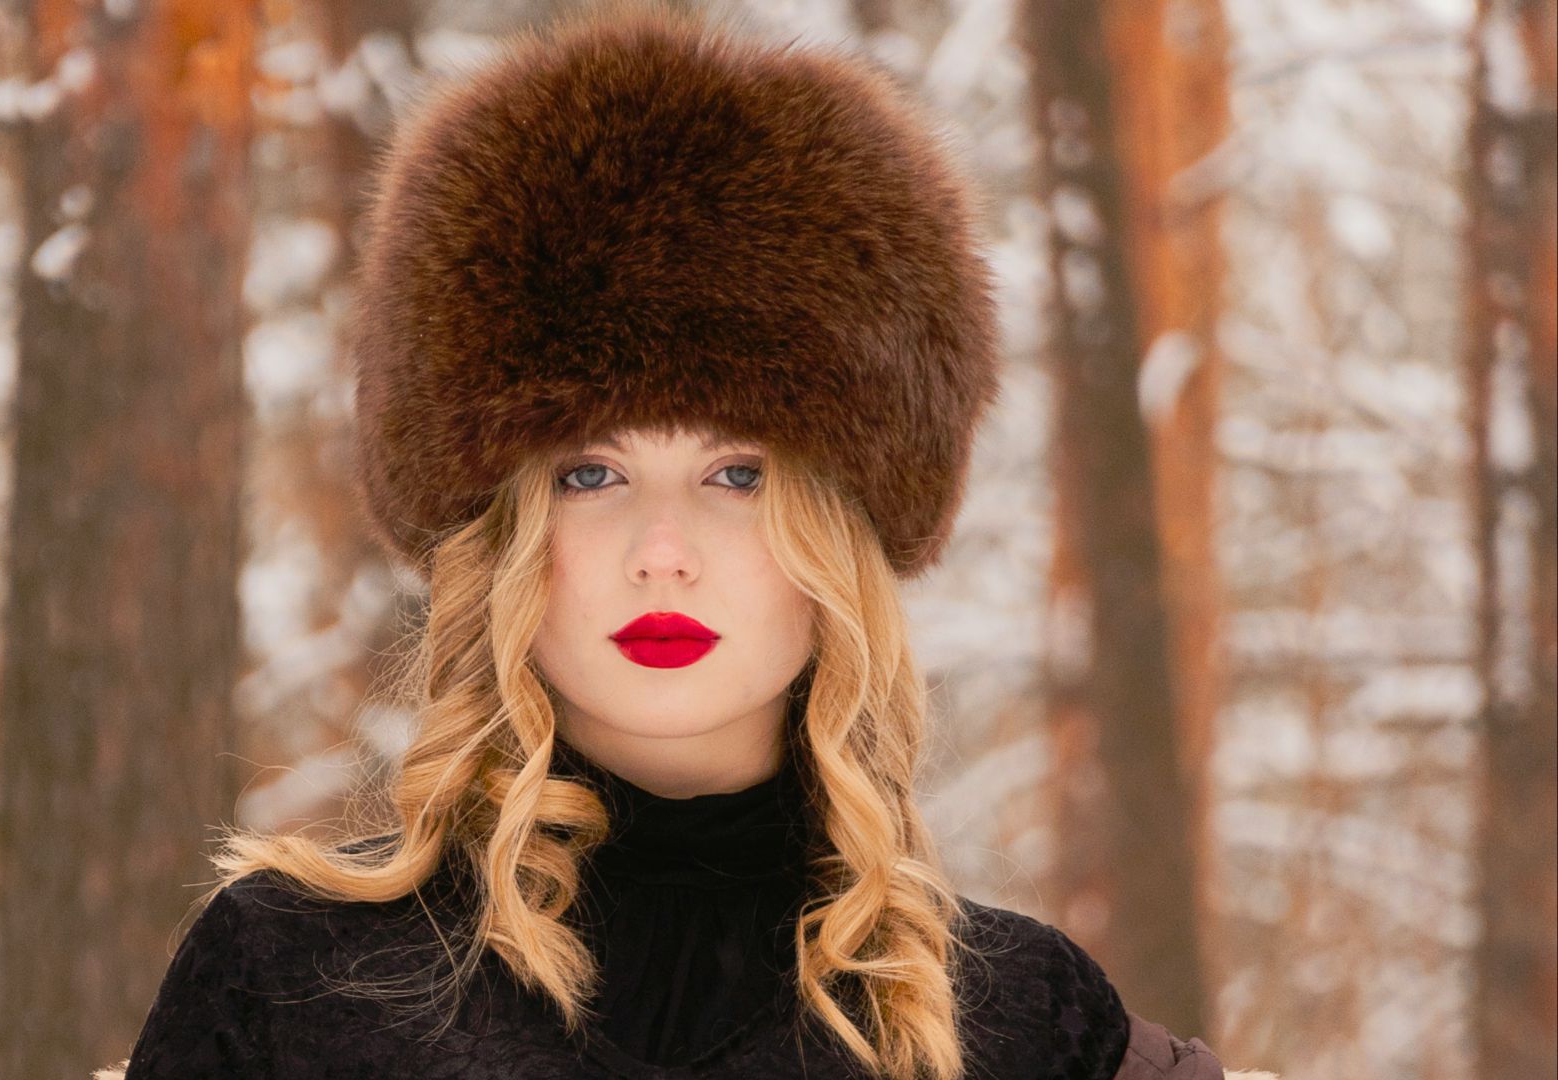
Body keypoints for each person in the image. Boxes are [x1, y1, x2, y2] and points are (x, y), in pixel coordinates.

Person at [102, 3, 1280, 1077]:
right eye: (592, 472)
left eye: (736, 473)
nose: (662, 550)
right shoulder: (292, 980)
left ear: (844, 529)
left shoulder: (1021, 1022)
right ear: (500, 532)